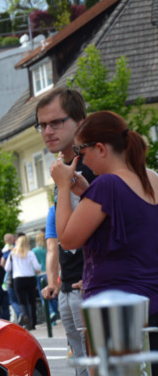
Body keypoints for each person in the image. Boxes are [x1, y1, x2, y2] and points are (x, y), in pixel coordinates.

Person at [50, 109, 158, 332]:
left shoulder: (107, 185)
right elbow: (136, 233)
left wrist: (62, 186)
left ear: (100, 148)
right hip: (150, 304)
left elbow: (67, 240)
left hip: (117, 313)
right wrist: (88, 194)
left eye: (81, 151)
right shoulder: (152, 178)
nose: (81, 160)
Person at [37, 88, 95, 376]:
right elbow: (60, 241)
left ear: (79, 121)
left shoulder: (92, 165)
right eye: (42, 125)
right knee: (84, 372)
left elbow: (70, 234)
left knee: (101, 374)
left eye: (56, 122)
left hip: (92, 286)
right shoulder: (64, 166)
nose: (47, 131)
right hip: (70, 285)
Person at [5, 235, 42, 329]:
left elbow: (7, 268)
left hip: (18, 279)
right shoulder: (30, 253)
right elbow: (37, 267)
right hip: (30, 278)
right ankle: (33, 323)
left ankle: (25, 316)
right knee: (31, 301)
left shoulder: (12, 254)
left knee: (21, 301)